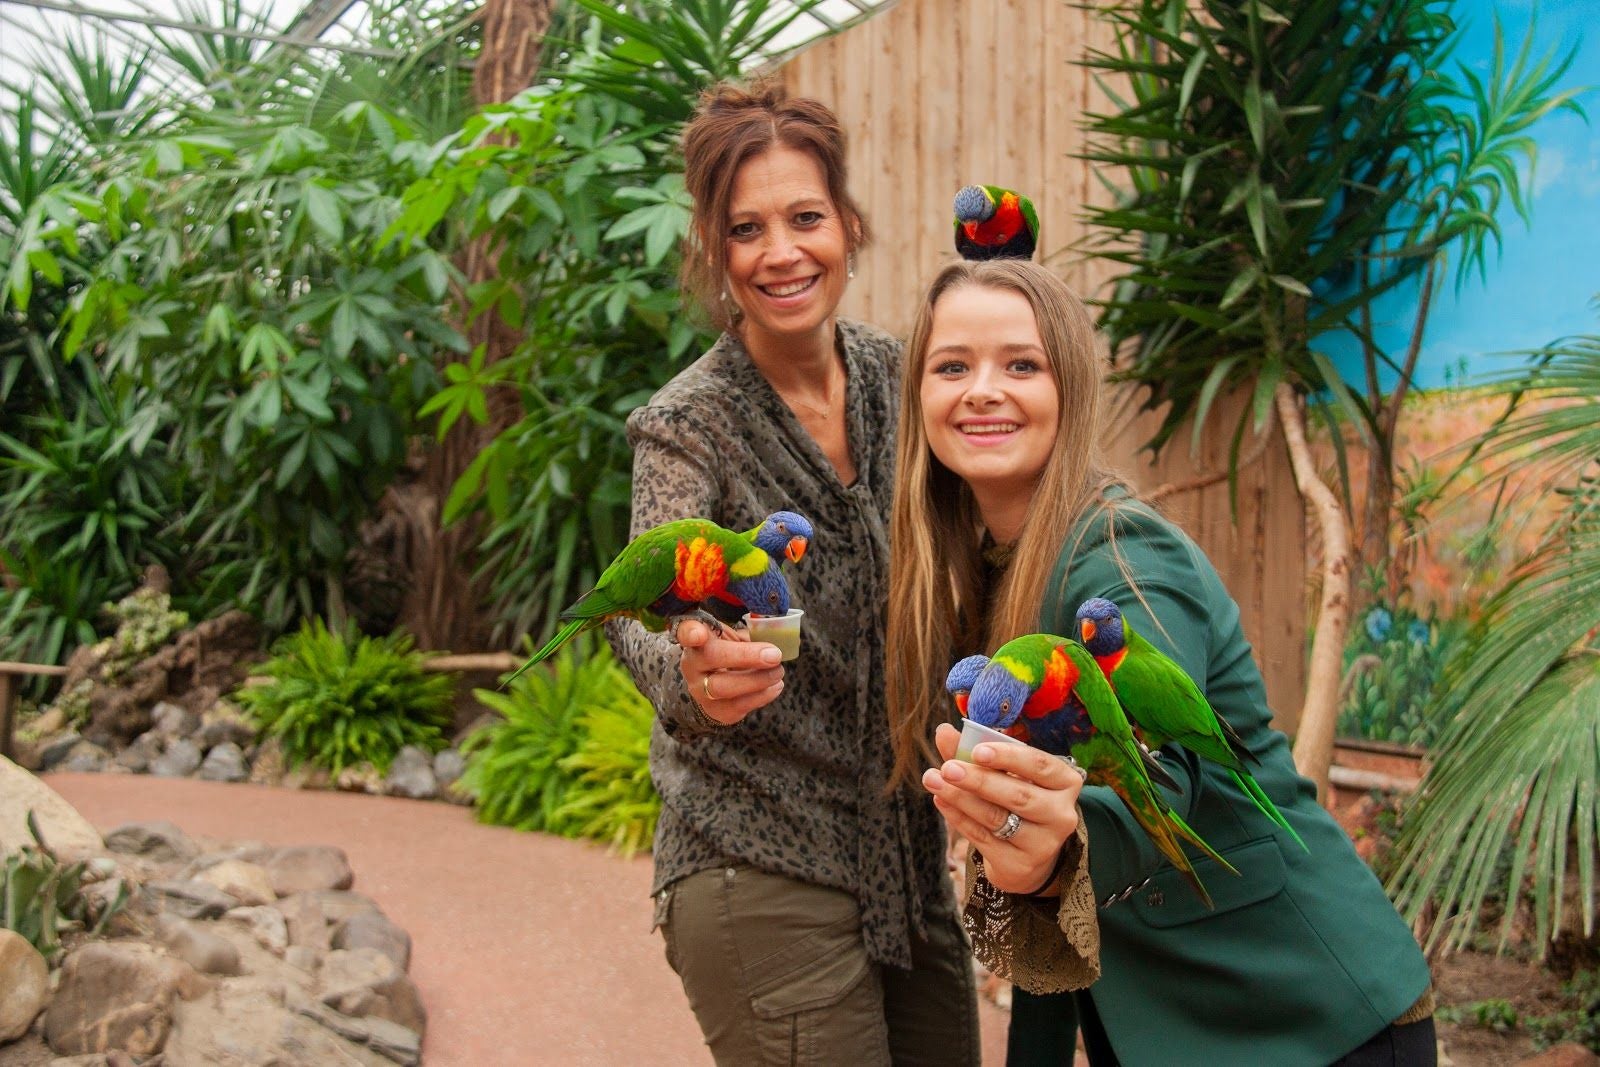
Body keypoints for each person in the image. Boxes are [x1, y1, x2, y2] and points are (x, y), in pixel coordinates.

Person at [885, 257, 1436, 1066]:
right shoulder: (980, 565)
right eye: (953, 365)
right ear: (920, 398)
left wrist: (1055, 846)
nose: (983, 389)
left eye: (1023, 364)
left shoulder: (1120, 554)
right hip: (1182, 1024)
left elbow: (1164, 769)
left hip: (1306, 1012)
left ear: (1068, 389)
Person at [604, 78, 979, 1066]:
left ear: (846, 222)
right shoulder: (689, 427)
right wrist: (683, 670)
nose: (781, 252)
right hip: (755, 860)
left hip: (904, 861)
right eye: (746, 229)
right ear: (715, 252)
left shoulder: (904, 381)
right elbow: (635, 612)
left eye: (804, 216)